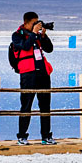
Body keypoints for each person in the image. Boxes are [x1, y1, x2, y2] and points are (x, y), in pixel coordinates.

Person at [7, 12, 55, 143]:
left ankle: (46, 136)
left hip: (43, 73)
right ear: (26, 23)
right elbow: (25, 46)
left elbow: (49, 49)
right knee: (26, 105)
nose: (36, 25)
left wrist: (43, 36)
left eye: (37, 23)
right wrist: (34, 34)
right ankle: (22, 136)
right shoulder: (17, 36)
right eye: (34, 23)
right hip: (28, 74)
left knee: (45, 106)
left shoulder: (38, 36)